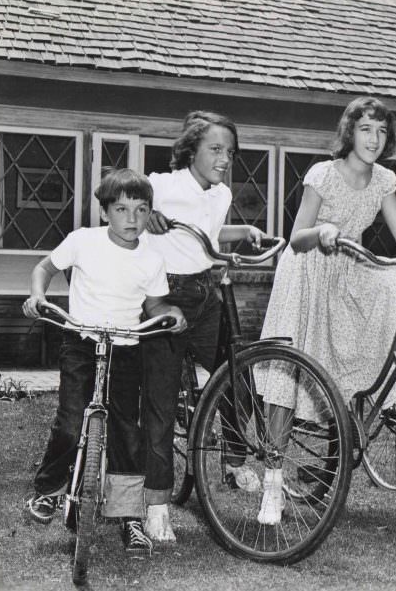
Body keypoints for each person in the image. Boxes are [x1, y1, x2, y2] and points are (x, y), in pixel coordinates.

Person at [255, 96, 396, 525]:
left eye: (382, 131)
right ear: (350, 133)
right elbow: (296, 238)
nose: (375, 139)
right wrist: (323, 230)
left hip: (349, 268)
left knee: (389, 295)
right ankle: (272, 487)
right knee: (289, 380)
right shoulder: (323, 174)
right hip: (308, 273)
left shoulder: (384, 178)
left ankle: (358, 436)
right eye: (366, 129)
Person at [23, 168, 186, 553]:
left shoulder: (151, 257)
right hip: (81, 340)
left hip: (127, 347)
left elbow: (155, 303)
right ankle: (49, 489)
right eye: (122, 209)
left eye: (141, 210)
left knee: (128, 432)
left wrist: (171, 312)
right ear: (104, 212)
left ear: (150, 215)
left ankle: (130, 517)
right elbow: (44, 268)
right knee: (70, 419)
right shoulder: (83, 241)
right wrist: (37, 296)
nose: (132, 219)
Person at [139, 110, 267, 542]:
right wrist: (145, 216)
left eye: (229, 151)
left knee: (236, 376)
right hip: (164, 297)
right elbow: (117, 203)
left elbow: (205, 233)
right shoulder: (160, 184)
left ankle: (233, 460)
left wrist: (242, 229)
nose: (224, 158)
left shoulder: (221, 194)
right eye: (215, 149)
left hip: (205, 295)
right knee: (159, 400)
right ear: (190, 150)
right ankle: (156, 504)